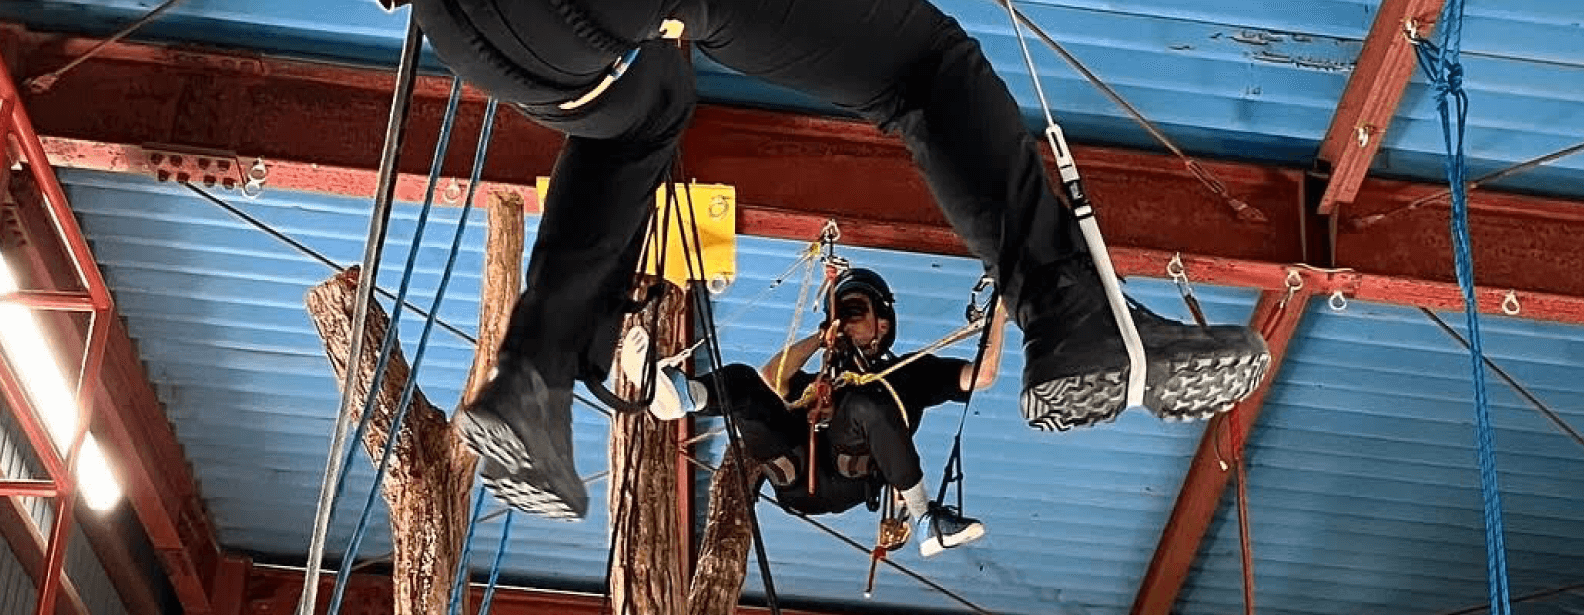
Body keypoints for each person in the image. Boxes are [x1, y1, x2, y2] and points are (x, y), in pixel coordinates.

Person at [387, 0, 1271, 520]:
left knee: (644, 111)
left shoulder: (880, 370)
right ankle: (1069, 308)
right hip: (583, 14)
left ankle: (532, 379)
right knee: (924, 71)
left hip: (477, 33)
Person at [619, 267, 993, 555]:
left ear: (882, 322)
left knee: (865, 403)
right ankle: (682, 397)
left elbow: (984, 374)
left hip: (851, 475)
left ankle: (925, 518)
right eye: (839, 312)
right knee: (746, 383)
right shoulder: (817, 381)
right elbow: (772, 377)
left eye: (854, 312)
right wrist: (821, 338)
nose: (846, 321)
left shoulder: (912, 373)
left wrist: (1003, 310)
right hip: (795, 475)